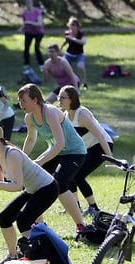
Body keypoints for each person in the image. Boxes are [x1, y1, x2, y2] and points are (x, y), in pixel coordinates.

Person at [0, 123, 59, 264]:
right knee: (4, 218)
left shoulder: (12, 154)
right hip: (33, 189)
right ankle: (12, 255)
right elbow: (0, 182)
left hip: (48, 188)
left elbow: (17, 186)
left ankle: (45, 257)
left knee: (23, 221)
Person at [18, 83, 88, 234]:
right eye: (19, 100)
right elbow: (30, 139)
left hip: (74, 152)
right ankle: (40, 226)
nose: (20, 104)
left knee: (59, 184)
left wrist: (39, 162)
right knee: (32, 180)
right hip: (56, 151)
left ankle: (81, 226)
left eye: (23, 100)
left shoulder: (49, 112)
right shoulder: (29, 117)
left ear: (35, 100)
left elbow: (61, 143)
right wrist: (22, 159)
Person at [58, 85, 114, 215]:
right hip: (86, 148)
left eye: (62, 97)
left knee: (78, 175)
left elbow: (100, 135)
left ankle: (94, 208)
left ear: (72, 99)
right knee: (70, 175)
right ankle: (75, 207)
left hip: (101, 145)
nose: (59, 100)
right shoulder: (65, 116)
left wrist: (110, 157)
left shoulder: (82, 114)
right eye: (59, 97)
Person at [63, 17, 88, 89]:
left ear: (77, 26)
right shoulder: (67, 33)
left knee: (80, 66)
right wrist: (60, 49)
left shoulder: (81, 34)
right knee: (63, 66)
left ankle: (84, 82)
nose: (72, 26)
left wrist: (73, 39)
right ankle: (69, 82)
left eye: (74, 25)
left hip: (79, 54)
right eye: (71, 25)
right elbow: (66, 42)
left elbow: (83, 42)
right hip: (69, 54)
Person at [21, 0, 46, 66]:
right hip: (29, 32)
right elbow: (25, 23)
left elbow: (39, 23)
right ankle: (26, 64)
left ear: (32, 3)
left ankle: (41, 63)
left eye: (29, 2)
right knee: (26, 48)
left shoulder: (37, 11)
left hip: (38, 32)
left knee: (36, 47)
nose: (28, 4)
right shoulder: (24, 13)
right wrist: (22, 28)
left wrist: (29, 22)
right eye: (27, 3)